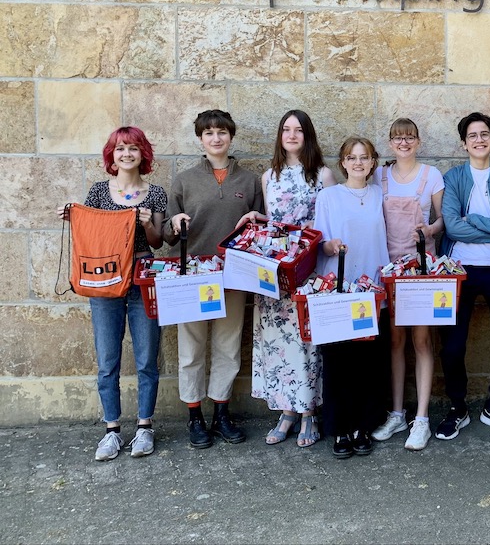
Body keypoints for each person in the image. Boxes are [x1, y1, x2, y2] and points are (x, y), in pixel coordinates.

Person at [57, 127, 167, 461]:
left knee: (147, 359)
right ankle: (112, 430)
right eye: (120, 148)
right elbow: (90, 232)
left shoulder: (156, 193)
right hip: (105, 281)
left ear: (143, 154)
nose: (127, 154)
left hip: (142, 276)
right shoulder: (99, 192)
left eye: (133, 148)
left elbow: (159, 242)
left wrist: (148, 224)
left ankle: (145, 427)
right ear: (112, 154)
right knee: (107, 361)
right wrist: (71, 216)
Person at [235, 110, 336, 448]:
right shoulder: (269, 176)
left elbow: (326, 224)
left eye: (298, 130)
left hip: (307, 271)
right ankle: (287, 410)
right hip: (274, 275)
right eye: (286, 129)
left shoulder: (323, 174)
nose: (292, 135)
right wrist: (257, 218)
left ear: (308, 135)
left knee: (307, 341)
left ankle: (309, 412)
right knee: (277, 344)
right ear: (280, 135)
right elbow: (275, 225)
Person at [165, 110, 264, 449]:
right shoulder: (184, 180)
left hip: (234, 276)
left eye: (222, 132)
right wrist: (175, 222)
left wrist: (258, 218)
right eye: (209, 133)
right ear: (200, 139)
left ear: (231, 137)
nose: (216, 138)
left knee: (228, 346)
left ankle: (222, 412)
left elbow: (262, 229)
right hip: (193, 277)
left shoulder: (249, 181)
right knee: (191, 349)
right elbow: (166, 232)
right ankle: (194, 416)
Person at [437, 112, 490, 440]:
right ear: (464, 143)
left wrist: (471, 221)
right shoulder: (454, 177)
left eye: (484, 133)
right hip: (459, 268)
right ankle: (457, 407)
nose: (479, 139)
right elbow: (452, 225)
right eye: (472, 135)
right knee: (452, 348)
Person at [313, 137, 390, 459]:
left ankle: (363, 425)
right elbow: (320, 239)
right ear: (342, 163)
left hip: (371, 289)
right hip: (338, 290)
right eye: (352, 157)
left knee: (368, 363)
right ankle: (339, 428)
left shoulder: (378, 194)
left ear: (373, 163)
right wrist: (331, 246)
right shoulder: (329, 196)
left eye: (365, 157)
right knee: (337, 362)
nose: (358, 163)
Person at [370, 118, 445, 452]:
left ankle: (422, 418)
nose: (403, 143)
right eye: (397, 138)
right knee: (396, 341)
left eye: (409, 137)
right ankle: (398, 412)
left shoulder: (432, 176)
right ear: (389, 142)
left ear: (419, 141)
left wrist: (430, 230)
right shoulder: (379, 175)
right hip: (387, 269)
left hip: (420, 270)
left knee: (422, 341)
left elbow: (443, 220)